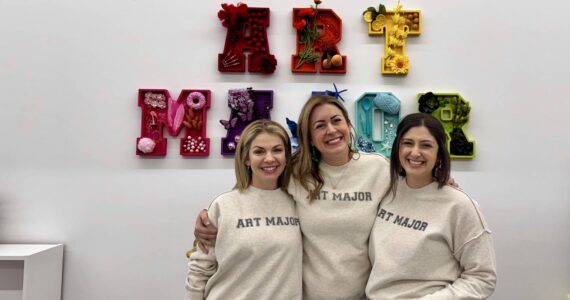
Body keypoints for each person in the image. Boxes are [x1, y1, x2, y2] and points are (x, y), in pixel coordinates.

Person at [365, 113, 496, 299]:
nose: (415, 152)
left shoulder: (459, 205)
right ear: (397, 148)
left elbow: (483, 277)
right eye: (408, 143)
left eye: (426, 145)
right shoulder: (386, 190)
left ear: (439, 153)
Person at [185, 120, 302, 300]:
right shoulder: (223, 206)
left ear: (287, 155)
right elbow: (199, 269)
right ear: (246, 158)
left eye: (277, 150)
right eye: (259, 151)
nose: (269, 158)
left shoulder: (299, 203)